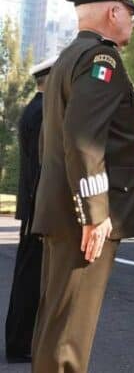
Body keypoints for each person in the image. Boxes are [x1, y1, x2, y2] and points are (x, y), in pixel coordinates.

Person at [31, 0, 134, 373]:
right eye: (131, 13)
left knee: (56, 324)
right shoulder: (102, 58)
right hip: (82, 214)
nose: (133, 21)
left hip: (63, 206)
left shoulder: (69, 56)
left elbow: (59, 137)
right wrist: (95, 212)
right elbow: (83, 140)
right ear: (113, 12)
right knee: (69, 335)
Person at [4, 57, 53, 363]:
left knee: (30, 277)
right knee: (30, 280)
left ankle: (20, 342)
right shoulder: (44, 112)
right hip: (38, 207)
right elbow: (42, 166)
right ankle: (19, 345)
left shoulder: (34, 108)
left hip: (33, 206)